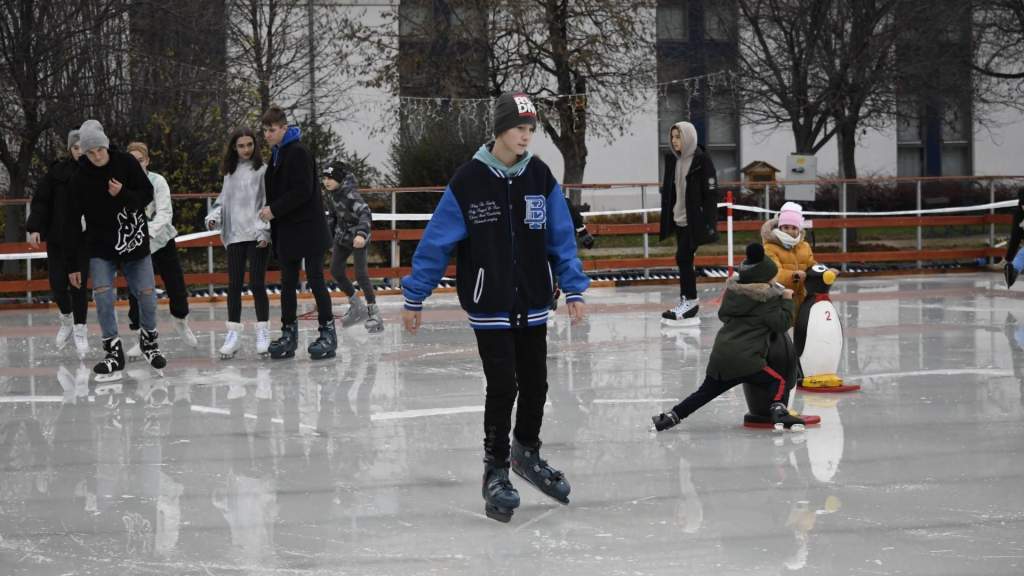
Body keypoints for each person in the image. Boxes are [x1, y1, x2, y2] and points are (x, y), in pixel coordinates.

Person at [401, 92, 589, 523]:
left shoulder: (539, 176)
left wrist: (574, 288)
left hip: (534, 301)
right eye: (519, 129)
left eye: (529, 130)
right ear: (500, 130)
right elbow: (437, 241)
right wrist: (415, 295)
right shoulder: (469, 180)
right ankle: (496, 470)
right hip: (490, 304)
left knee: (537, 384)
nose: (525, 137)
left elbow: (560, 236)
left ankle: (527, 453)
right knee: (503, 385)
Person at [652, 243, 804, 431]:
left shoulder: (733, 294)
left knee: (703, 393)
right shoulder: (766, 300)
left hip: (721, 358)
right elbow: (782, 323)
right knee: (777, 381)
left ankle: (671, 416)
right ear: (765, 279)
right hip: (747, 361)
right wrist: (787, 300)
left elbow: (723, 315)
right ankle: (779, 411)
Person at [66, 120, 164, 382]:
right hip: (100, 246)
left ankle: (149, 341)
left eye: (99, 149)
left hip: (133, 240)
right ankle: (113, 352)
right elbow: (74, 224)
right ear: (83, 153)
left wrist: (122, 194)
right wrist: (73, 264)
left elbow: (146, 194)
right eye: (90, 152)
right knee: (103, 297)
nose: (96, 156)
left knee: (146, 296)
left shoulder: (126, 163)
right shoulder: (78, 179)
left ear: (106, 145)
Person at [258, 106, 335, 360]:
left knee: (315, 280)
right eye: (265, 130)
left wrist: (274, 210)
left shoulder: (298, 152)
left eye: (271, 130)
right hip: (288, 231)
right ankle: (289, 333)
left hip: (308, 230)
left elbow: (303, 191)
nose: (267, 134)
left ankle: (327, 333)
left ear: (284, 128)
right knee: (288, 284)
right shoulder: (277, 154)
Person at [123, 142, 198, 359]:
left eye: (140, 160)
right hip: (135, 246)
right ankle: (142, 337)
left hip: (161, 241)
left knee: (176, 287)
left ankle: (181, 321)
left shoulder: (158, 181)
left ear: (147, 160)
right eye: (132, 161)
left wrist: (146, 232)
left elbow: (164, 214)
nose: (137, 165)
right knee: (136, 293)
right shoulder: (123, 184)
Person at [206, 127, 272, 358]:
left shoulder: (263, 171)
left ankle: (263, 332)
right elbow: (223, 200)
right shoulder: (230, 173)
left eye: (249, 145)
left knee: (256, 284)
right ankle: (233, 334)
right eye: (241, 146)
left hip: (256, 236)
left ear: (255, 146)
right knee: (234, 285)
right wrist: (214, 218)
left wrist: (264, 233)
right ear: (234, 148)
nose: (246, 149)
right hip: (234, 236)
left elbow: (266, 202)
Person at [26, 129, 90, 358]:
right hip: (58, 238)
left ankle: (81, 329)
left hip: (82, 240)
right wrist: (34, 227)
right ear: (70, 149)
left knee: (79, 285)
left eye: (84, 148)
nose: (80, 152)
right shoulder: (57, 172)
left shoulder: (95, 172)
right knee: (57, 282)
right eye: (76, 148)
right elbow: (42, 200)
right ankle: (67, 319)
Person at [659, 121, 720, 326]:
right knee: (684, 259)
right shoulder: (674, 160)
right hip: (679, 219)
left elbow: (711, 194)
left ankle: (690, 302)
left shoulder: (702, 161)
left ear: (689, 137)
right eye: (673, 137)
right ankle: (687, 300)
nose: (675, 141)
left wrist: (707, 221)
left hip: (694, 221)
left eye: (679, 137)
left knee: (683, 258)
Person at [321, 160, 383, 333]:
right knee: (335, 271)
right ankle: (357, 306)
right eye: (325, 178)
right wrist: (327, 238)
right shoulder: (330, 194)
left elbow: (365, 212)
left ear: (339, 179)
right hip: (343, 237)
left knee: (360, 274)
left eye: (330, 178)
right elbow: (333, 216)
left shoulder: (350, 194)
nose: (326, 182)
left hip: (358, 237)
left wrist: (361, 234)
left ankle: (374, 312)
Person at [761, 201, 837, 321]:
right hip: (780, 300)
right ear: (780, 227)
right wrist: (793, 276)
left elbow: (811, 265)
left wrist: (825, 272)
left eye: (794, 228)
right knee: (782, 334)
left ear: (799, 228)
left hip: (802, 299)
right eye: (786, 227)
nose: (790, 231)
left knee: (802, 331)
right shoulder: (770, 247)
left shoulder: (804, 246)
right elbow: (774, 273)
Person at [1004, 189, 1024, 288]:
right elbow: (1016, 236)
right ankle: (1013, 272)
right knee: (1022, 254)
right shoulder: (1019, 214)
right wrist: (1009, 258)